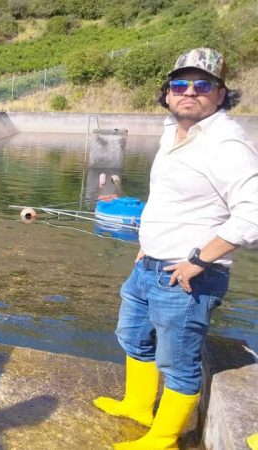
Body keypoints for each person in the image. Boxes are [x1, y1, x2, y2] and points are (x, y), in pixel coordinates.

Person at [93, 48, 258, 449]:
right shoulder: (172, 132)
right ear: (167, 93)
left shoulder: (226, 145)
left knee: (178, 363)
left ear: (220, 94)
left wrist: (199, 260)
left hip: (188, 275)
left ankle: (164, 438)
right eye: (179, 84)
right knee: (132, 336)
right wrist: (146, 243)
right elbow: (170, 199)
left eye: (202, 85)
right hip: (148, 263)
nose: (189, 92)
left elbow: (253, 213)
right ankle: (137, 405)